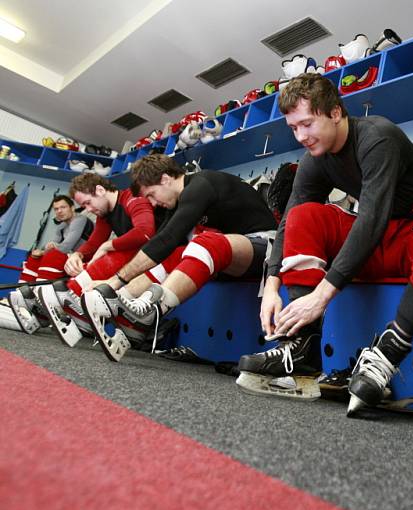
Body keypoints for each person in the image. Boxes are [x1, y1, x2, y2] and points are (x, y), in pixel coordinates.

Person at [237, 73, 413, 411]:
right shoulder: (313, 160)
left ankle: (387, 353)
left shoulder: (376, 136)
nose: (301, 136)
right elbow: (290, 220)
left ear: (335, 113)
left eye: (307, 124)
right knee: (303, 216)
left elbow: (372, 217)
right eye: (294, 128)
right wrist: (272, 284)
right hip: (374, 243)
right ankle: (302, 350)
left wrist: (321, 296)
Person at [81, 154, 277, 362]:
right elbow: (157, 245)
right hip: (231, 259)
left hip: (265, 249)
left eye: (152, 195)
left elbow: (168, 237)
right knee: (176, 252)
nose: (153, 203)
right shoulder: (178, 202)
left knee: (205, 242)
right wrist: (115, 287)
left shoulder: (202, 183)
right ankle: (123, 306)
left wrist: (114, 280)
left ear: (165, 179)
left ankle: (149, 314)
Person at [33, 174, 157, 347]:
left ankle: (70, 301)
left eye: (88, 203)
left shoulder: (132, 198)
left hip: (157, 259)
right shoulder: (105, 213)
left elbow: (145, 232)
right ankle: (66, 302)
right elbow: (94, 242)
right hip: (138, 260)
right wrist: (78, 255)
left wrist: (108, 245)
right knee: (84, 260)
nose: (88, 209)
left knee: (115, 253)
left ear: (100, 190)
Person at [8, 195, 92, 333]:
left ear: (72, 208)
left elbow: (64, 247)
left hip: (84, 262)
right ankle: (23, 297)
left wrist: (48, 249)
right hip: (69, 262)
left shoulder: (80, 219)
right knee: (34, 257)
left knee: (52, 255)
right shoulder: (61, 227)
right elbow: (52, 248)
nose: (59, 211)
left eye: (63, 207)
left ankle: (41, 300)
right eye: (56, 209)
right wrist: (42, 252)